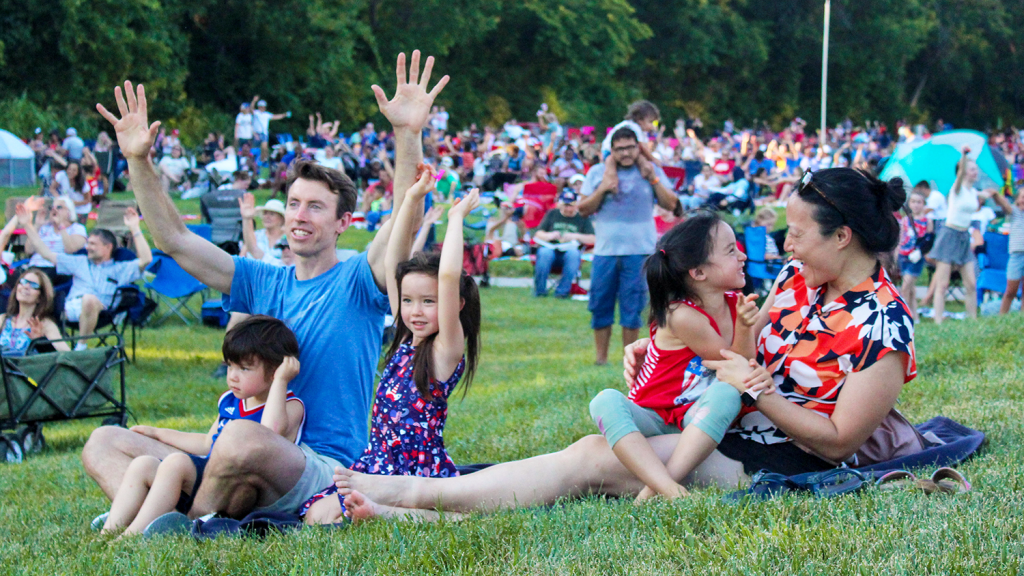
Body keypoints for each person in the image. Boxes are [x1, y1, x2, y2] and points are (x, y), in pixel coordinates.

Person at [320, 168, 916, 522]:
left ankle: (410, 497)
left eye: (799, 233)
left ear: (843, 237)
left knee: (596, 462)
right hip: (733, 425)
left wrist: (754, 391)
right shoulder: (796, 282)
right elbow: (739, 347)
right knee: (591, 443)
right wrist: (674, 360)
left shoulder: (884, 325)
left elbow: (839, 443)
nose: (785, 244)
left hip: (785, 455)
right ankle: (421, 499)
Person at [85, 51, 448, 520]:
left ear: (343, 222)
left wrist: (407, 133)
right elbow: (173, 240)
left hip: (320, 465)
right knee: (104, 441)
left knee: (238, 437)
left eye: (315, 207)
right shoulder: (261, 280)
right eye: (294, 203)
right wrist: (138, 161)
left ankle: (186, 523)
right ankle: (178, 519)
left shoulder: (360, 280)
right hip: (240, 454)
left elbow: (405, 212)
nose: (299, 216)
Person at [302, 172, 483, 525]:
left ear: (454, 305)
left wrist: (456, 218)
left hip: (416, 470)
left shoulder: (445, 348)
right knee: (315, 515)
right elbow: (392, 263)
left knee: (431, 515)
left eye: (428, 302)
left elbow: (447, 278)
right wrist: (412, 199)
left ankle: (389, 514)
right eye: (409, 300)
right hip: (378, 463)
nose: (415, 311)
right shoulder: (405, 337)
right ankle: (381, 512)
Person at [588, 213, 766, 500]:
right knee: (605, 400)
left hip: (693, 418)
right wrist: (746, 328)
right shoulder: (682, 315)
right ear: (698, 273)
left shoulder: (735, 303)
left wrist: (744, 326)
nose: (743, 256)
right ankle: (669, 489)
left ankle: (657, 487)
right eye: (731, 251)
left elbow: (739, 375)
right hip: (652, 415)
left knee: (727, 395)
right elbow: (731, 363)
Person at [98, 316, 305, 536]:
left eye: (244, 369)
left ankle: (132, 536)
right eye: (230, 366)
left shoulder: (290, 406)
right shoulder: (230, 401)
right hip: (207, 478)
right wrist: (158, 433)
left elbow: (270, 434)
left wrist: (281, 382)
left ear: (276, 370)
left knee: (176, 462)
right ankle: (110, 530)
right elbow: (208, 443)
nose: (233, 377)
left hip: (235, 489)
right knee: (144, 464)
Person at [578, 127, 679, 364]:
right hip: (605, 251)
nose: (625, 153)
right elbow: (583, 209)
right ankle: (600, 359)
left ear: (638, 147)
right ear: (611, 151)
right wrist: (603, 187)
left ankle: (630, 360)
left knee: (633, 308)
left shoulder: (650, 170)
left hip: (640, 252)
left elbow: (672, 203)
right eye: (619, 148)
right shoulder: (597, 172)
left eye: (630, 147)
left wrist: (652, 178)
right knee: (600, 306)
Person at [18, 205, 152, 348]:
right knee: (36, 298)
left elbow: (146, 259)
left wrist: (135, 228)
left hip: (102, 312)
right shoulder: (79, 262)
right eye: (88, 243)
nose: (87, 247)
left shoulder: (120, 268)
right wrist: (27, 225)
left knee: (89, 299)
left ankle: (81, 347)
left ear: (108, 247)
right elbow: (46, 253)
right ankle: (24, 346)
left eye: (93, 244)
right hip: (69, 310)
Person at [927, 147, 995, 324]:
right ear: (964, 172)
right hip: (949, 235)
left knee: (971, 284)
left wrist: (994, 191)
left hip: (964, 236)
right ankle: (938, 321)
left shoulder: (973, 192)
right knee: (942, 284)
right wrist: (964, 156)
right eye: (972, 169)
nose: (975, 172)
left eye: (975, 169)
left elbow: (985, 194)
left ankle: (972, 320)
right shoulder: (957, 189)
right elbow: (959, 176)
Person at [532, 190, 594, 298]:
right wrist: (549, 236)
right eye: (565, 205)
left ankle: (562, 292)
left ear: (576, 205)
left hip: (569, 250)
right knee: (544, 253)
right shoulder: (552, 214)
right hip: (551, 248)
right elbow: (538, 233)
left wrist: (576, 236)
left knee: (573, 254)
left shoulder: (582, 218)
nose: (568, 208)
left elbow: (593, 238)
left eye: (571, 205)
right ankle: (540, 291)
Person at [0, 268, 70, 355]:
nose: (25, 287)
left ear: (40, 298)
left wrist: (40, 341)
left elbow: (67, 355)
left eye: (33, 285)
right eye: (23, 282)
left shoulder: (45, 325)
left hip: (27, 368)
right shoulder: (3, 320)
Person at [21, 196, 87, 285]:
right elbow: (29, 250)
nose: (54, 210)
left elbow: (70, 249)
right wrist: (37, 225)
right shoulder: (45, 228)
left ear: (69, 212)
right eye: (52, 207)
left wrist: (61, 225)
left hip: (57, 268)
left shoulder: (77, 228)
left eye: (59, 207)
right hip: (34, 267)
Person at [897, 187, 932, 321]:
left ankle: (903, 316)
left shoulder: (927, 221)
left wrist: (921, 251)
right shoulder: (905, 220)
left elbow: (929, 241)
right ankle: (915, 316)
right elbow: (901, 239)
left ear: (923, 204)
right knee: (910, 289)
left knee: (906, 287)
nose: (916, 205)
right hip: (903, 255)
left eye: (919, 202)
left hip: (916, 257)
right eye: (913, 202)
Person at [988, 187, 1024, 314]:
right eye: (1022, 197)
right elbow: (1005, 205)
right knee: (1011, 290)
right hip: (1016, 255)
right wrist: (995, 194)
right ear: (1018, 200)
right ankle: (1002, 315)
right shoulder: (1014, 212)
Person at [238, 195, 286, 265]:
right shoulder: (255, 235)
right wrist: (247, 219)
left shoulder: (287, 239)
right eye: (265, 213)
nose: (267, 217)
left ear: (281, 219)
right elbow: (241, 259)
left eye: (272, 214)